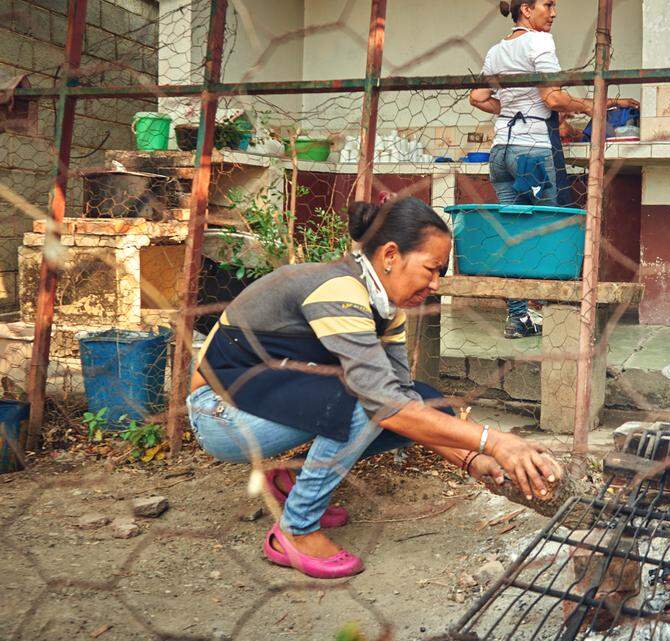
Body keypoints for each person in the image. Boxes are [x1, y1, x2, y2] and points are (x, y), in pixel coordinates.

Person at [187, 197, 561, 579]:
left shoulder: (385, 308)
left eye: (441, 273)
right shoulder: (338, 290)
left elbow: (405, 401)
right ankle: (295, 530)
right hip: (217, 413)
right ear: (390, 254)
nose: (435, 284)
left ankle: (293, 481)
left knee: (432, 405)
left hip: (265, 398)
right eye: (431, 269)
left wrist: (470, 459)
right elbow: (384, 405)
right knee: (365, 405)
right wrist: (495, 441)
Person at [470, 0, 636, 339]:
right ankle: (559, 316)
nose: (554, 12)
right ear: (527, 10)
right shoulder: (539, 42)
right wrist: (596, 106)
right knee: (550, 230)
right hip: (531, 151)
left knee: (511, 235)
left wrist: (510, 109)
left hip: (500, 151)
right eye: (548, 4)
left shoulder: (495, 51)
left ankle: (518, 319)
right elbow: (554, 100)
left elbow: (477, 97)